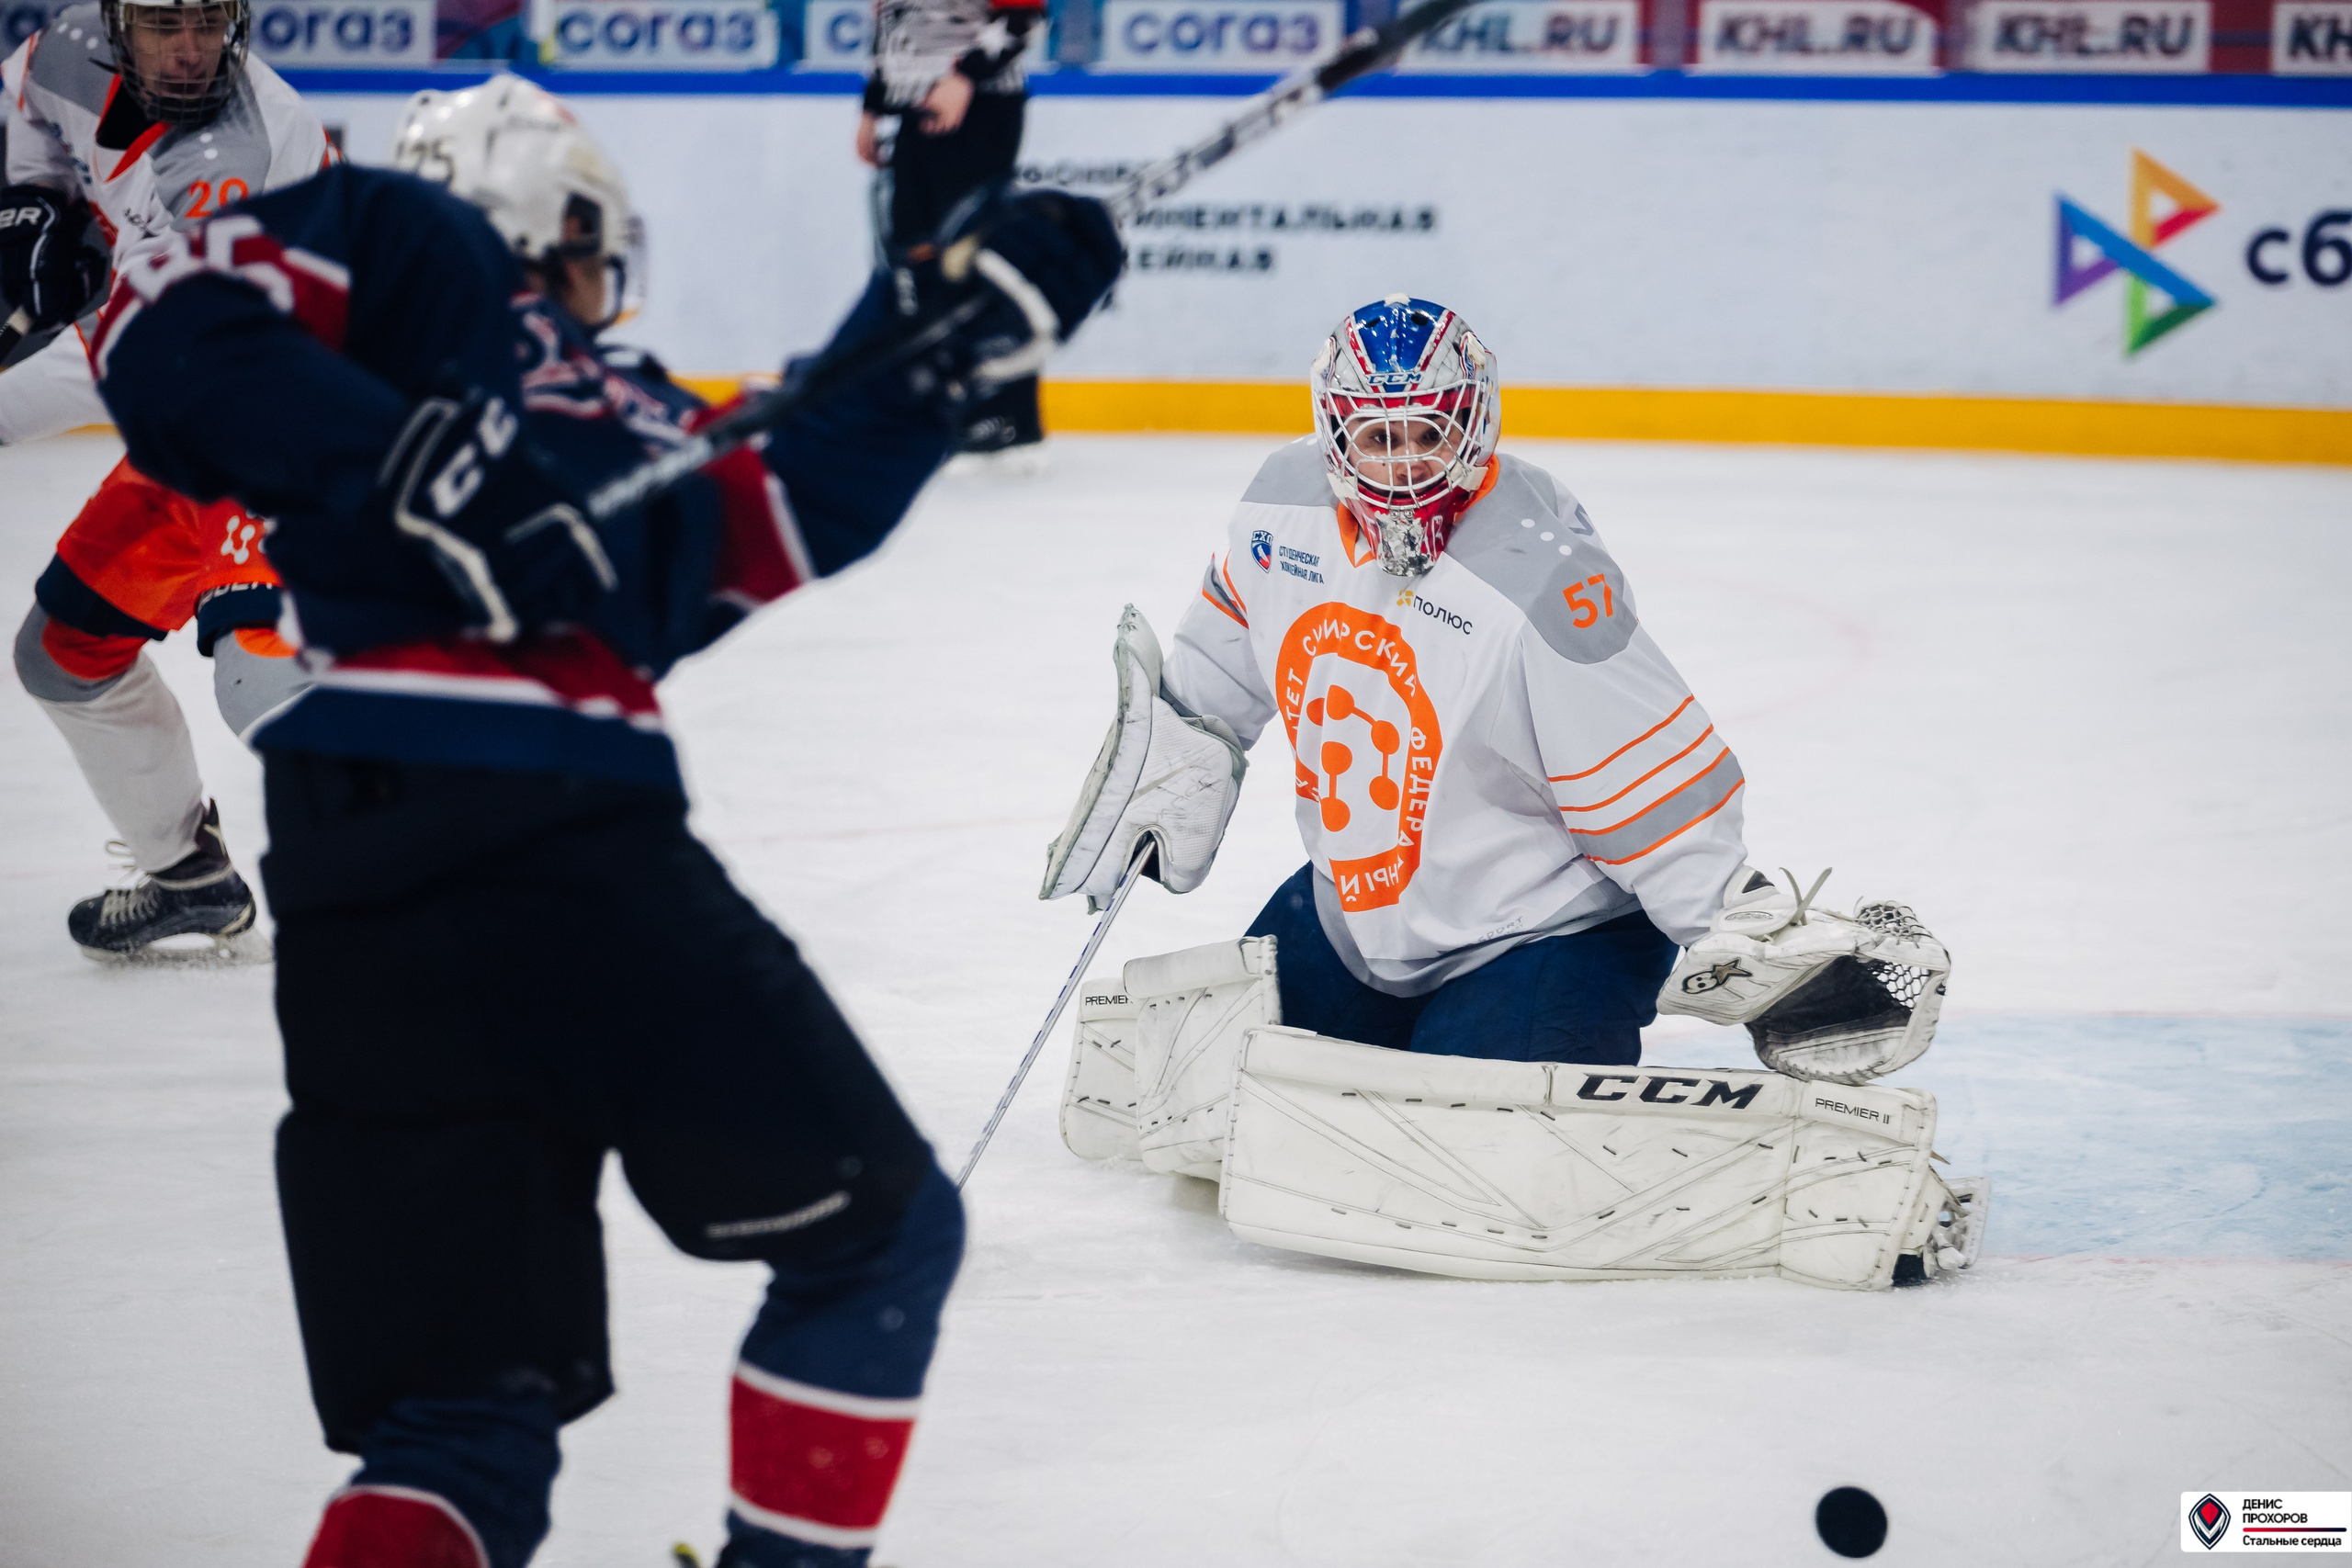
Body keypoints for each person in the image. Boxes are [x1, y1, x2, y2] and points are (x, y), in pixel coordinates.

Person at [87, 74, 1120, 1568]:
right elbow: (154, 310)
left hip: (357, 871)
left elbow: (791, 493)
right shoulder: (387, 241)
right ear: (558, 224)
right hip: (558, 841)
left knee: (457, 1426)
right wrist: (401, 465)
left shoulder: (632, 413)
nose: (593, 293)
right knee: (877, 1234)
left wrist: (949, 327)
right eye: (583, 258)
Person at [1045, 295, 1750, 1066]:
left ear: (1473, 425)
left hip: (1545, 929)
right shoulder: (1283, 509)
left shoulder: (1543, 578)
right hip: (1361, 919)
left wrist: (1742, 937)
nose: (1406, 463)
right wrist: (1161, 775)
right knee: (1210, 1081)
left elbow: (1652, 788)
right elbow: (1218, 662)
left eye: (1429, 433)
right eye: (1379, 437)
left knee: (1485, 1151)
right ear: (1336, 435)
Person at [4, 0, 332, 957]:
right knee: (63, 655)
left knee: (262, 682)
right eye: (161, 21)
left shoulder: (242, 151)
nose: (189, 48)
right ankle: (189, 877)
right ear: (111, 19)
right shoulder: (57, 56)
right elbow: (29, 159)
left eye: (207, 19)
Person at [856, 0, 1047, 466]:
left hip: (981, 108)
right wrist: (873, 107)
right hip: (914, 113)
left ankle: (1009, 413)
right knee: (915, 263)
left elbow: (1024, 18)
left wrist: (964, 77)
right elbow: (895, 22)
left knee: (974, 261)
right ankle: (942, 405)